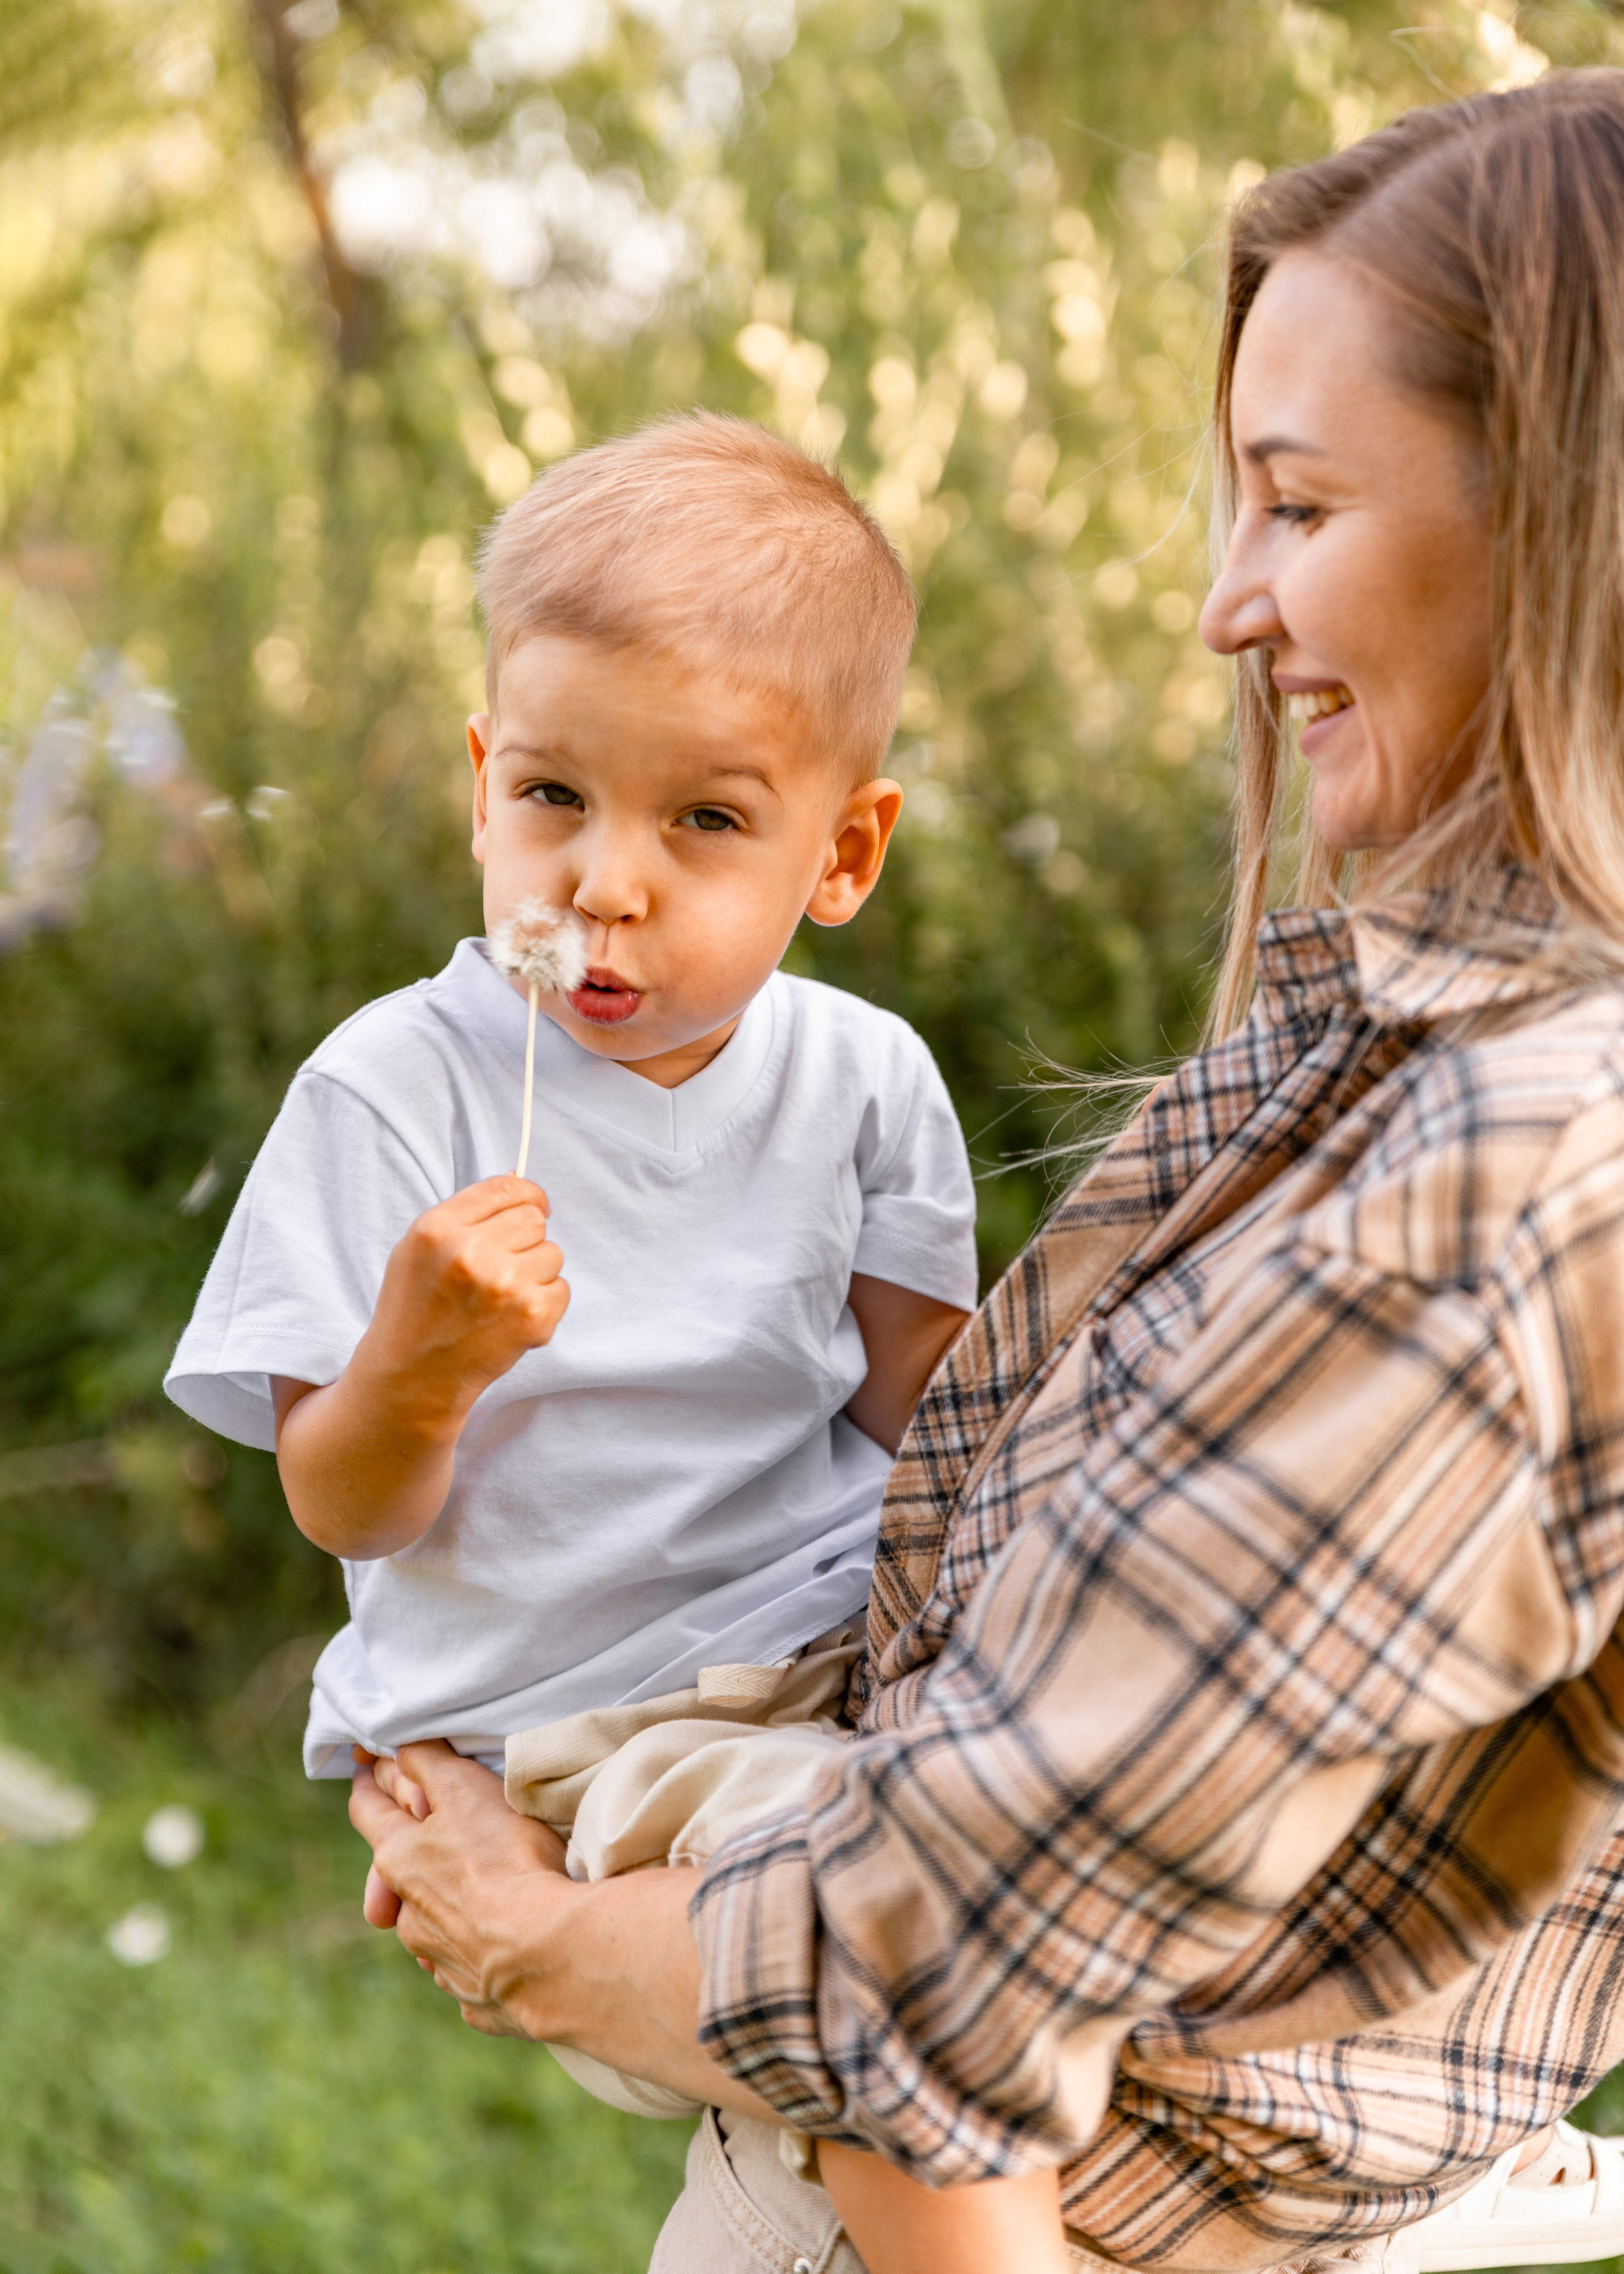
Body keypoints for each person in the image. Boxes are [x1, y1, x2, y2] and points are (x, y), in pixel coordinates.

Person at [353, 69, 1624, 2274]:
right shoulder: (1385, 1044)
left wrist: (532, 1925)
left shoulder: (1497, 1180)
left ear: (1571, 519)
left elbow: (922, 1988)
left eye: (1299, 507)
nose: (1230, 605)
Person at [164, 415, 1091, 2270]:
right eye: (557, 801)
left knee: (1116, 1795)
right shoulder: (392, 1093)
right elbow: (342, 1506)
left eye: (709, 822)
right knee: (902, 1917)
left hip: (835, 1649)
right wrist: (420, 1360)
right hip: (579, 1720)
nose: (606, 881)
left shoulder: (861, 1085)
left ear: (844, 853)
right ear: (483, 784)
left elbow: (933, 1423)